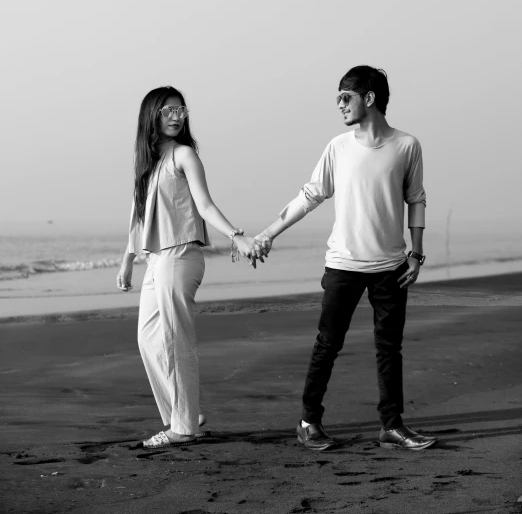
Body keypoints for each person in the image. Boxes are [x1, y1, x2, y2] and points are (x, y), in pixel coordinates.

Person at [253, 66, 436, 451]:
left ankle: (391, 426)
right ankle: (308, 422)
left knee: (389, 348)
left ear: (369, 98)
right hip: (343, 266)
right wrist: (268, 233)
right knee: (328, 344)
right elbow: (309, 196)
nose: (339, 105)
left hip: (392, 267)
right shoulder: (338, 147)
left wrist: (416, 254)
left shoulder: (407, 145)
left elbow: (415, 199)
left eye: (345, 97)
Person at [117, 86, 257, 448]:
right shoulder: (146, 165)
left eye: (180, 109)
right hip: (157, 260)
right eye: (167, 111)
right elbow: (138, 216)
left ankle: (182, 428)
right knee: (148, 339)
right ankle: (186, 413)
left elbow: (206, 206)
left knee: (176, 341)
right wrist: (128, 259)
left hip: (180, 256)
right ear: (152, 116)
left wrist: (237, 236)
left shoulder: (184, 156)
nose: (176, 116)